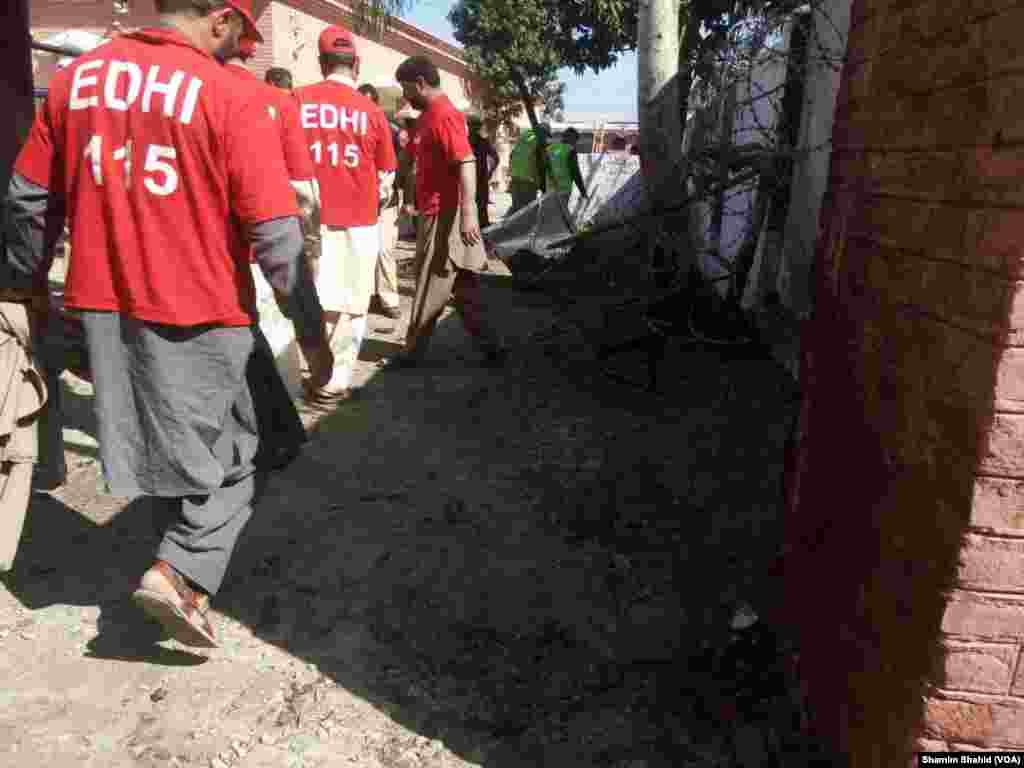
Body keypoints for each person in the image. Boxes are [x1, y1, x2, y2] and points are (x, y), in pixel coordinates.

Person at [3, 0, 332, 647]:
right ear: (218, 19)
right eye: (240, 29)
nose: (241, 44)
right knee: (251, 444)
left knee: (174, 440)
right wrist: (313, 335)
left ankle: (179, 555)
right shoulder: (228, 94)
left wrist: (24, 285)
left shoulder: (80, 80)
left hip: (102, 307)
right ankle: (178, 573)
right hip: (202, 310)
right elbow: (277, 237)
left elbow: (28, 203)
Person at [223, 36, 320, 471]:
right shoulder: (276, 103)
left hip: (218, 251)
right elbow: (303, 190)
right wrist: (309, 242)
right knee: (270, 340)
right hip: (269, 239)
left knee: (243, 343)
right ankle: (281, 423)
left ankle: (265, 431)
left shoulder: (184, 89)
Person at [293, 26, 397, 404]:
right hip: (357, 219)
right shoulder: (372, 112)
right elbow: (387, 176)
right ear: (356, 64)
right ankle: (334, 382)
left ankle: (300, 378)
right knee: (351, 304)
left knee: (302, 299)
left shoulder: (296, 100)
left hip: (302, 220)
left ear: (321, 62)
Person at [391, 56, 506, 368]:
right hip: (437, 212)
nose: (404, 95)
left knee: (431, 280)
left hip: (446, 215)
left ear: (420, 83)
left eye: (405, 88)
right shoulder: (426, 116)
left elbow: (466, 162)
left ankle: (412, 350)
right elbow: (414, 155)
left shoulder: (445, 115)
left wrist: (468, 213)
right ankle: (492, 347)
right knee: (462, 286)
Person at [357, 82, 402, 321]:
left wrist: (383, 196)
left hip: (384, 201)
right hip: (359, 201)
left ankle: (389, 298)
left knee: (384, 251)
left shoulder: (390, 130)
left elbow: (392, 168)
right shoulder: (351, 129)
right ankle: (367, 296)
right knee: (362, 251)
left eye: (368, 103)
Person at [507, 123, 549, 215]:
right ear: (543, 132)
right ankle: (525, 227)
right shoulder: (539, 141)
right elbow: (541, 164)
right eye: (546, 134)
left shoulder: (523, 137)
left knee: (517, 207)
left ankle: (514, 227)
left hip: (515, 177)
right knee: (529, 209)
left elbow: (511, 155)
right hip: (529, 180)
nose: (546, 137)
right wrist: (543, 186)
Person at [466, 115, 498, 229]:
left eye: (476, 126)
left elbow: (496, 158)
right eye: (472, 125)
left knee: (481, 207)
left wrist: (489, 172)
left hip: (480, 179)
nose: (474, 128)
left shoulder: (484, 142)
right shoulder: (464, 141)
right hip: (468, 180)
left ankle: (483, 231)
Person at [545, 127, 587, 199]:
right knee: (560, 210)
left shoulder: (550, 148)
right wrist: (583, 192)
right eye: (575, 141)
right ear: (573, 139)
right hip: (563, 190)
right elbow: (575, 172)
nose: (575, 144)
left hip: (549, 190)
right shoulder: (570, 150)